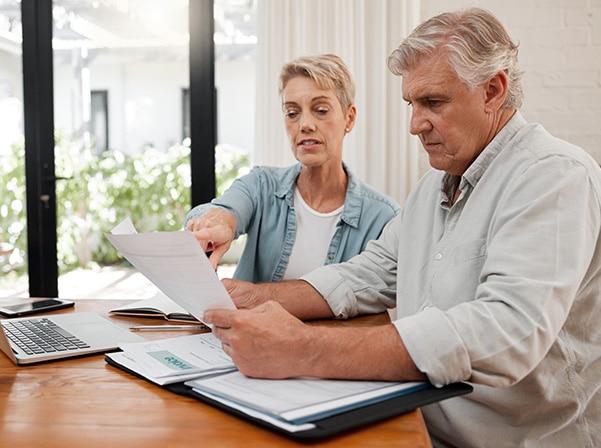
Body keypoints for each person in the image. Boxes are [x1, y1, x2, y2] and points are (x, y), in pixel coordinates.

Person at [202, 8, 601, 447]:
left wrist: (304, 348)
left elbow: (506, 333)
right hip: (414, 421)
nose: (414, 125)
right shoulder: (434, 186)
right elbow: (368, 273)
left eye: (433, 102)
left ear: (493, 90)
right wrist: (255, 297)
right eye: (412, 104)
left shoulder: (554, 175)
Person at [185, 54, 399, 282]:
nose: (305, 125)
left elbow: (375, 294)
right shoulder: (261, 185)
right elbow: (227, 208)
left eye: (321, 110)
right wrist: (218, 223)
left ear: (349, 118)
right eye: (292, 113)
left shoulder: (382, 217)